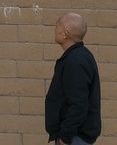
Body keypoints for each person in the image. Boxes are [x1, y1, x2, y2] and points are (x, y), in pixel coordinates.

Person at [45, 12, 101, 144]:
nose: (55, 29)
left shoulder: (75, 61)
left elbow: (78, 105)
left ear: (65, 33)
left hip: (74, 138)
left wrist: (65, 137)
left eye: (57, 25)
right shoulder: (78, 56)